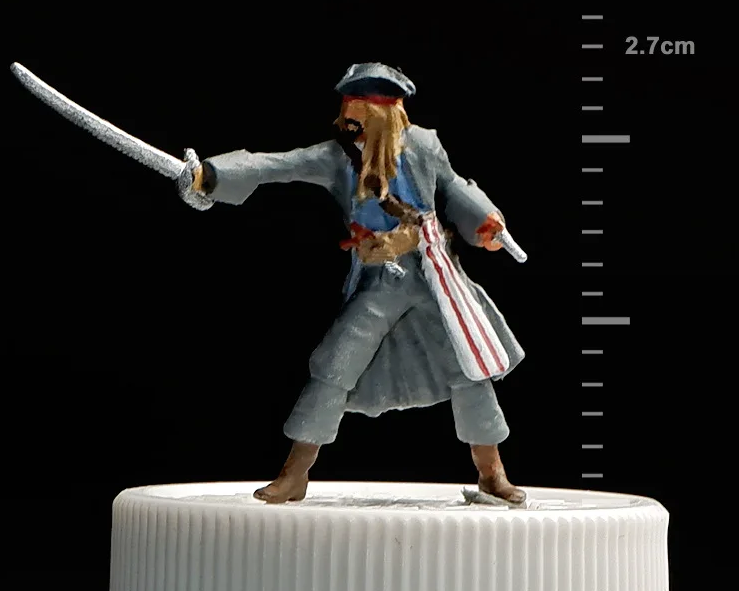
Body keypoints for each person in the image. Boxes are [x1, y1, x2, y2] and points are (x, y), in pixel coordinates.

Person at [191, 62, 526, 503]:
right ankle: (295, 473)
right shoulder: (338, 157)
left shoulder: (424, 145)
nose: (348, 120)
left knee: (468, 366)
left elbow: (454, 188)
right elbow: (276, 165)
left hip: (432, 274)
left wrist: (485, 220)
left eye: (358, 112)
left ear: (383, 113)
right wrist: (212, 176)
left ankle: (492, 473)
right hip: (379, 280)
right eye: (348, 111)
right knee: (335, 365)